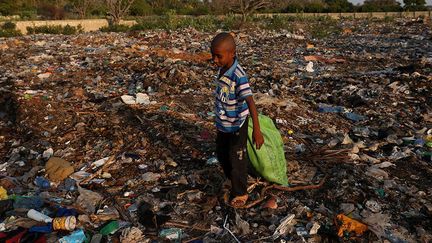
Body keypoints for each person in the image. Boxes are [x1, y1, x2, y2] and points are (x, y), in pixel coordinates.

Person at [210, 32, 264, 208]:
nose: (214, 60)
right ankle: (231, 179)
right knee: (221, 154)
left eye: (219, 56)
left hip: (237, 125)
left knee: (237, 158)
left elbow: (250, 102)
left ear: (232, 53)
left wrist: (256, 130)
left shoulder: (238, 75)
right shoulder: (223, 70)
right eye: (213, 55)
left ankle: (241, 192)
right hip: (223, 124)